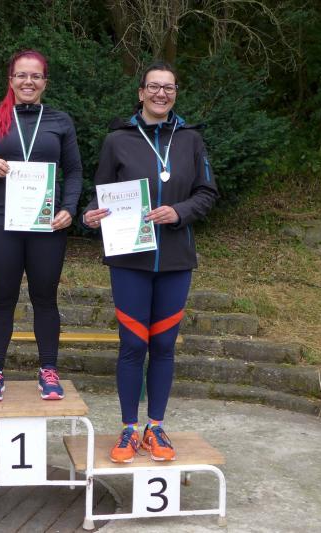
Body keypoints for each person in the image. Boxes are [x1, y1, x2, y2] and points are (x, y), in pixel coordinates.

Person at [82, 61, 218, 463]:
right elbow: (101, 193)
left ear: (175, 93)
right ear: (141, 92)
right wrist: (91, 214)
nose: (161, 93)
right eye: (154, 87)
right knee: (132, 344)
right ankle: (128, 428)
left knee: (163, 345)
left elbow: (207, 193)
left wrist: (179, 212)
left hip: (175, 260)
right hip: (129, 260)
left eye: (169, 87)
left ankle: (155, 426)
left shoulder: (191, 139)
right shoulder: (117, 140)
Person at [0, 49, 83, 402]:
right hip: (3, 222)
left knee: (45, 298)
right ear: (11, 80)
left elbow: (74, 171)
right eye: (21, 75)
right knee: (2, 298)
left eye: (35, 76)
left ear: (45, 82)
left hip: (47, 225)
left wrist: (69, 209)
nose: (28, 81)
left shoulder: (60, 121)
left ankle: (48, 370)